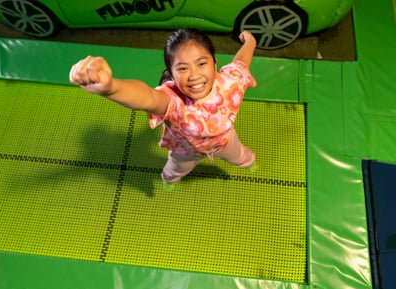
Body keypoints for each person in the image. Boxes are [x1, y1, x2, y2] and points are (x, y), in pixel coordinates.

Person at [69, 28, 257, 191]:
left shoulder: (230, 82)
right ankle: (169, 181)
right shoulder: (173, 101)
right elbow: (147, 97)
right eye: (183, 68)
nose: (194, 76)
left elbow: (241, 62)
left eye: (202, 64)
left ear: (214, 63)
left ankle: (250, 165)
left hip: (225, 141)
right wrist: (111, 87)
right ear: (172, 74)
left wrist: (251, 41)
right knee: (174, 170)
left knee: (241, 155)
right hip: (185, 152)